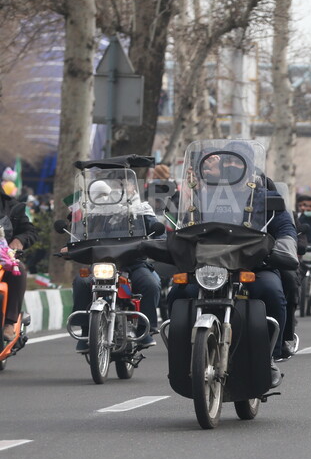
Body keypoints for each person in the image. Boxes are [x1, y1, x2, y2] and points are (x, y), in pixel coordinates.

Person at [168, 142, 298, 386]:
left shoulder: (264, 195)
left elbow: (284, 227)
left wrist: (283, 245)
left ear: (250, 167)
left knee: (270, 290)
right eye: (227, 162)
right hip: (206, 266)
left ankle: (270, 355)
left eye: (238, 162)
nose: (231, 166)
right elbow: (179, 224)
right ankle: (181, 354)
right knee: (177, 292)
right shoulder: (198, 193)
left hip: (253, 264)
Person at [71, 180, 163, 353]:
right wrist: (71, 245)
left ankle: (144, 329)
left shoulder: (142, 209)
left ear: (133, 187)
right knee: (81, 282)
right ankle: (86, 330)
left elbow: (159, 233)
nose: (120, 189)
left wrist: (156, 241)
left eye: (124, 185)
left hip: (134, 263)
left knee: (150, 284)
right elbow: (80, 235)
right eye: (117, 185)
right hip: (103, 263)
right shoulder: (95, 212)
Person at [0, 189, 37, 344]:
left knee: (19, 269)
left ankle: (9, 322)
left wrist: (19, 240)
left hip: (3, 259)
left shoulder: (12, 206)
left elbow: (30, 231)